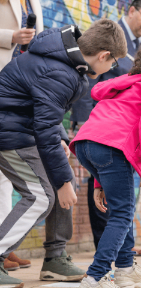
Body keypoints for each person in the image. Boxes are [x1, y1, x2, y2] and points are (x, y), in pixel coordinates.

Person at [0, 19, 127, 288]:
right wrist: (62, 181)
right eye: (113, 62)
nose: (111, 68)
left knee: (61, 179)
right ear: (103, 55)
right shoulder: (61, 71)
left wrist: (61, 139)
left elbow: (47, 113)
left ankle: (55, 259)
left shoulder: (65, 61)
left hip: (22, 129)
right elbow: (44, 125)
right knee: (41, 196)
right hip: (9, 132)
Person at [69, 38, 141, 288]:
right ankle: (95, 276)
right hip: (110, 148)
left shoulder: (125, 86)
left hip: (87, 144)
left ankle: (125, 269)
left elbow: (105, 129)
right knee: (122, 213)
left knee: (122, 208)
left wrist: (99, 182)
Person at [70, 0, 141, 256]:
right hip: (98, 125)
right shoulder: (111, 35)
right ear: (131, 10)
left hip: (124, 134)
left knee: (119, 187)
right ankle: (105, 244)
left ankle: (121, 245)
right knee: (100, 183)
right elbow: (90, 76)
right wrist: (87, 121)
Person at [0, 0, 44, 271]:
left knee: (4, 179)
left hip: (17, 92)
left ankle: (4, 245)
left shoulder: (34, 2)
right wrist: (10, 37)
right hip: (2, 82)